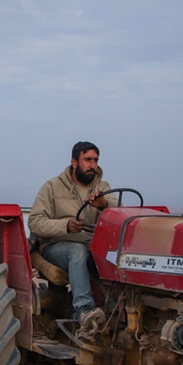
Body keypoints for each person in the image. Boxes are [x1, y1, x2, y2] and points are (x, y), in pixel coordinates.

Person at [28, 141, 113, 334]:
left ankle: (117, 307)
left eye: (95, 160)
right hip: (57, 246)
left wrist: (104, 204)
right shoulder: (52, 187)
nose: (93, 165)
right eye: (87, 160)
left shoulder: (103, 187)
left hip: (91, 245)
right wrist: (65, 225)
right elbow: (35, 221)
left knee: (117, 254)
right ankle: (84, 310)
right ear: (74, 162)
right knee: (77, 251)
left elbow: (118, 210)